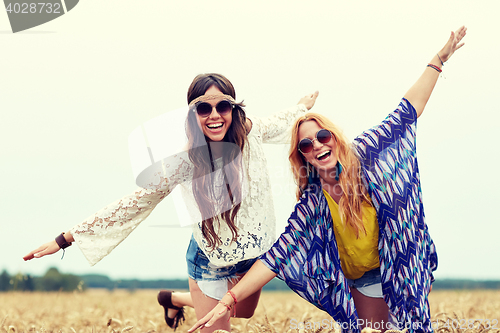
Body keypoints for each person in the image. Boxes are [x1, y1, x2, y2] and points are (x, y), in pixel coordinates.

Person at [188, 26, 467, 333]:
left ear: (334, 136)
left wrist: (438, 60)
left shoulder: (367, 152)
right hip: (361, 278)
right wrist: (229, 299)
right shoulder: (314, 201)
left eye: (322, 136)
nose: (317, 145)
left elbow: (407, 110)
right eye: (306, 145)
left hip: (400, 263)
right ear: (303, 157)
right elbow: (278, 255)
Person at [23, 73, 319, 332]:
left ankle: (173, 298)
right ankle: (197, 298)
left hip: (251, 251)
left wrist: (301, 107)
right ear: (193, 114)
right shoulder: (185, 162)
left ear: (233, 109)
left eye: (222, 106)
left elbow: (283, 120)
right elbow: (136, 202)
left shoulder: (250, 133)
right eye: (204, 107)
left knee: (244, 311)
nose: (214, 114)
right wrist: (65, 238)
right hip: (210, 258)